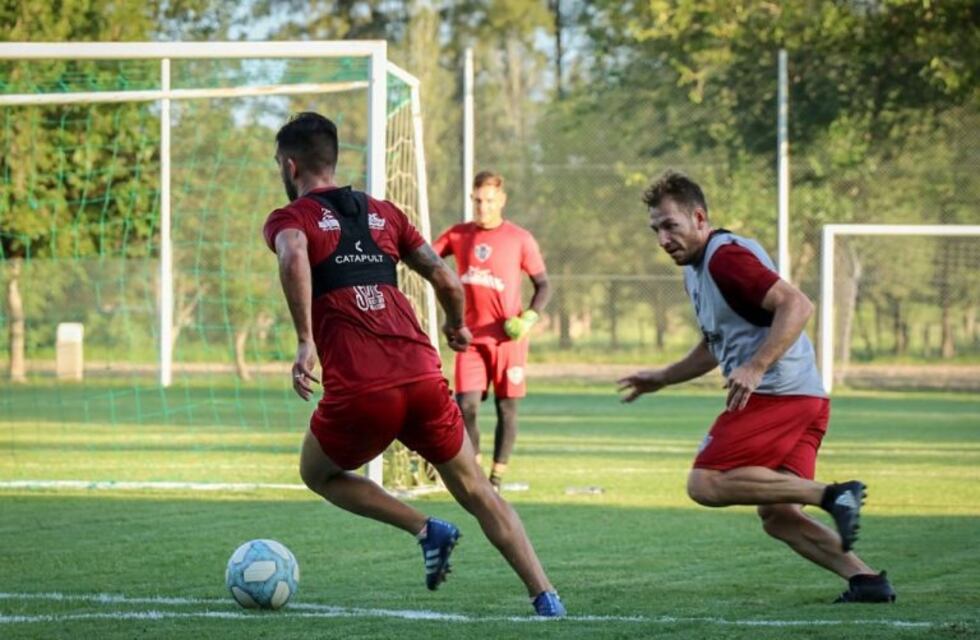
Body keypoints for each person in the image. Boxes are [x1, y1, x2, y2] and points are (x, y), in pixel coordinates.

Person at [263, 112, 564, 617]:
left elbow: (293, 254)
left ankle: (424, 527)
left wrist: (303, 341)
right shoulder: (386, 213)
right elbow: (447, 279)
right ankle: (546, 595)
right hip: (424, 377)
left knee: (318, 474)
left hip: (362, 390)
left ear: (291, 167)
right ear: (332, 161)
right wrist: (455, 325)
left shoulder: (291, 220)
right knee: (477, 490)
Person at [618, 170, 896, 604]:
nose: (662, 238)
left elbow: (797, 304)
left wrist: (756, 365)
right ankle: (867, 581)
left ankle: (834, 494)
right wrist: (662, 378)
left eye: (670, 225)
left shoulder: (724, 258)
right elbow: (714, 347)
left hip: (779, 394)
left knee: (705, 484)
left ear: (699, 218)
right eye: (655, 229)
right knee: (778, 516)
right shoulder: (698, 268)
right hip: (805, 399)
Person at [432, 171, 550, 492]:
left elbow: (543, 285)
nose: (482, 207)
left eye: (489, 201)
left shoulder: (520, 238)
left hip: (508, 340)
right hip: (469, 338)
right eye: (477, 201)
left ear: (502, 201)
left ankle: (496, 477)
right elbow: (427, 257)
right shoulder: (458, 235)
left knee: (505, 408)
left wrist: (529, 317)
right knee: (465, 406)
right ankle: (477, 471)